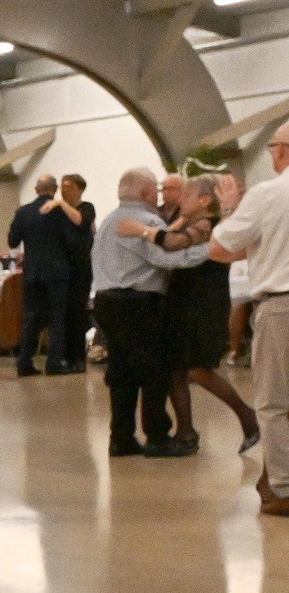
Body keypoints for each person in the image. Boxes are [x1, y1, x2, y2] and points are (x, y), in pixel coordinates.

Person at [114, 176, 260, 456]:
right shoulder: (193, 222)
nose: (180, 199)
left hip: (203, 303)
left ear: (204, 200)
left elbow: (173, 243)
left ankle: (247, 417)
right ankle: (185, 431)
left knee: (197, 368)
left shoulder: (208, 224)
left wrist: (141, 230)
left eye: (187, 195)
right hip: (183, 301)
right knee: (176, 369)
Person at [92, 169, 210, 458]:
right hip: (138, 303)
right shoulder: (147, 221)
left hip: (106, 301)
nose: (158, 195)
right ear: (146, 192)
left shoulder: (108, 221)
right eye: (156, 189)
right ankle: (157, 436)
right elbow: (166, 258)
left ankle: (121, 438)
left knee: (122, 373)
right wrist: (210, 250)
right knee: (154, 370)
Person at [211, 122, 289, 514]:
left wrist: (230, 209)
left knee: (275, 402)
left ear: (282, 150)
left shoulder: (268, 194)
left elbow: (219, 247)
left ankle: (283, 489)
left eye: (272, 147)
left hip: (282, 307)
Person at [8, 174, 74, 377]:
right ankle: (54, 362)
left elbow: (12, 241)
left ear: (36, 190)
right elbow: (71, 241)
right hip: (57, 271)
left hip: (33, 271)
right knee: (57, 317)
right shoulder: (61, 211)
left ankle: (24, 362)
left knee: (31, 317)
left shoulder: (23, 212)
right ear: (55, 189)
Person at [57, 173, 96, 372]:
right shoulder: (58, 211)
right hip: (62, 266)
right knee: (63, 312)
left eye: (69, 186)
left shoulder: (87, 207)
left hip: (81, 267)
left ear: (79, 189)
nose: (64, 190)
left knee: (77, 312)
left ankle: (78, 358)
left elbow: (80, 221)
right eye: (62, 186)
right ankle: (64, 355)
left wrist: (62, 204)